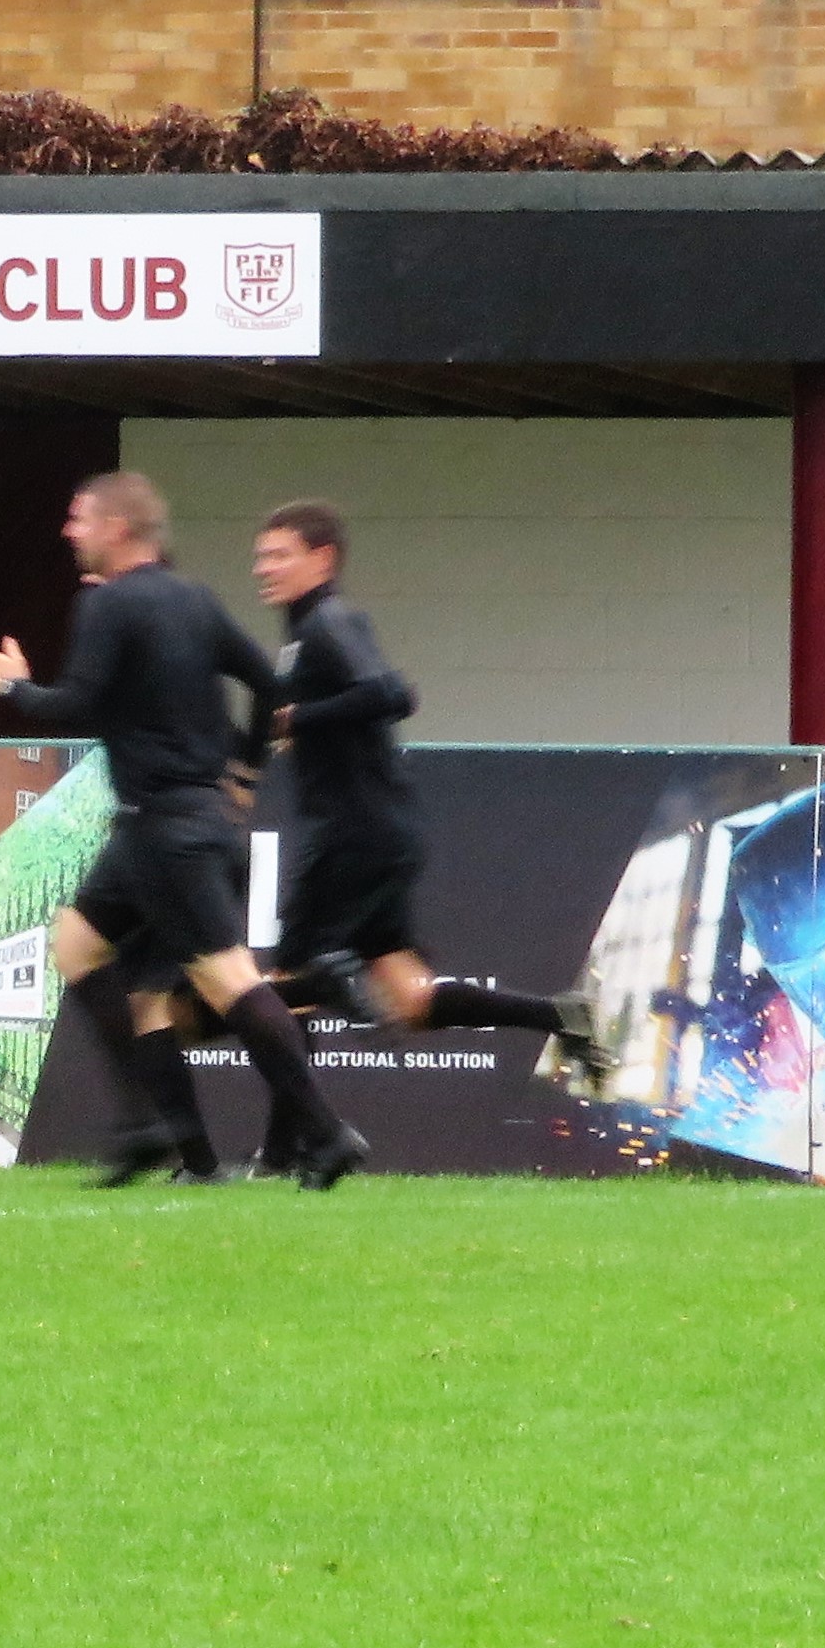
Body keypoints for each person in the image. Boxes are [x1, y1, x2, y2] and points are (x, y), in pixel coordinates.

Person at [0, 472, 371, 1191]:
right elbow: (269, 686)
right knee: (77, 947)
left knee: (227, 982)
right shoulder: (193, 598)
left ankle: (325, 1131)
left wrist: (15, 685)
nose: (69, 531)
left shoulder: (105, 603)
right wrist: (245, 773)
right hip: (173, 824)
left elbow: (77, 704)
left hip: (164, 831)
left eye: (79, 518)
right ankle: (148, 1128)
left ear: (118, 528)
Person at [246, 501, 606, 1176]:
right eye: (261, 556)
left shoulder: (329, 620)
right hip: (380, 830)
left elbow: (392, 693)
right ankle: (559, 1015)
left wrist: (299, 717)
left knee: (287, 986)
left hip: (352, 833)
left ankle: (283, 1151)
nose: (264, 567)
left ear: (322, 558)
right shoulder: (303, 634)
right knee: (411, 1002)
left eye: (279, 554)